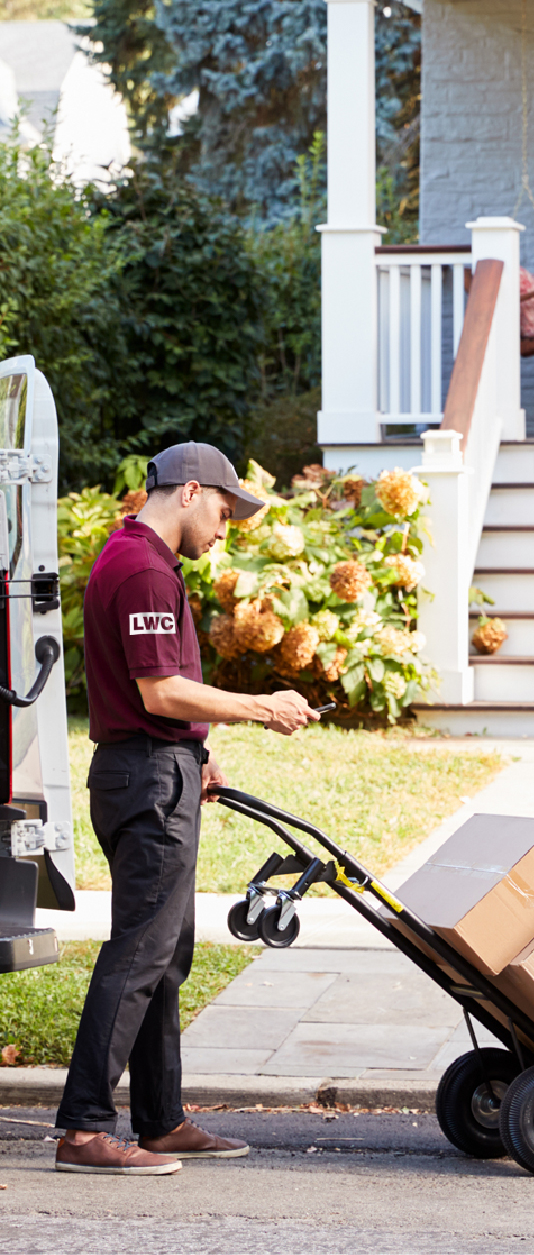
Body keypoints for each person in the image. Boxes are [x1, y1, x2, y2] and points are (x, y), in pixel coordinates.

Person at [53, 442, 321, 1176]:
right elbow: (159, 692)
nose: (224, 530)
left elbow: (159, 698)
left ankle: (160, 1119)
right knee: (140, 953)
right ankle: (82, 1131)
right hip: (145, 781)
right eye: (225, 515)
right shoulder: (140, 567)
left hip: (153, 769)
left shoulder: (137, 557)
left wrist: (197, 751)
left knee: (165, 955)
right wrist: (259, 708)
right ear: (191, 490)